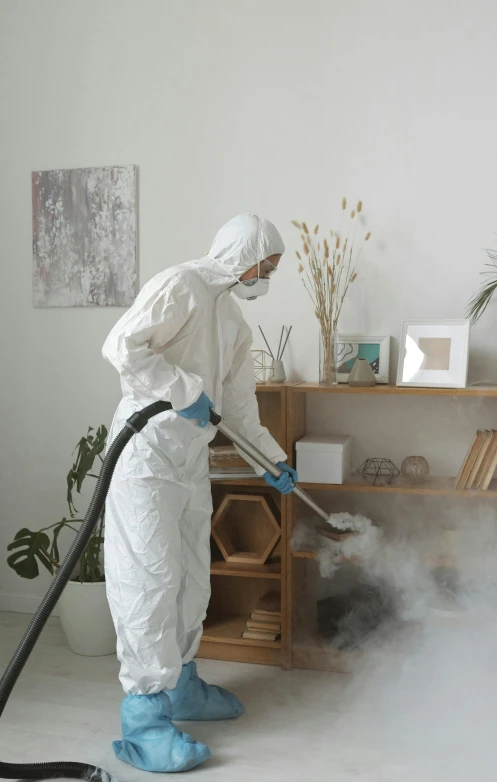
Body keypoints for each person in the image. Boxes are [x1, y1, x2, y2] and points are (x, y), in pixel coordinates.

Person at [101, 213, 298, 773]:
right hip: (143, 455)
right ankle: (144, 717)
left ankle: (183, 685)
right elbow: (124, 346)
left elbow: (237, 410)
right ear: (246, 255)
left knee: (192, 575)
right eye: (268, 265)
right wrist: (183, 389)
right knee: (151, 581)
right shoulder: (178, 286)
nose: (268, 276)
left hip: (188, 463)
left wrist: (273, 461)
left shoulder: (232, 320)